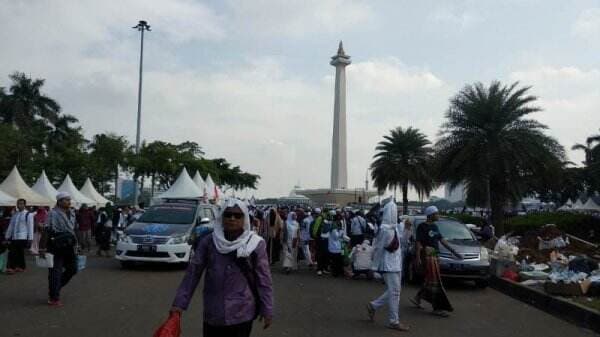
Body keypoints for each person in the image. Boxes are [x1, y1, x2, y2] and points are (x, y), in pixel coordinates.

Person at [159, 198, 273, 337]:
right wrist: (179, 304)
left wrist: (267, 309)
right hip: (213, 313)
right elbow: (193, 273)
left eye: (237, 215)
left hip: (242, 312)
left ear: (244, 219)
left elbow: (264, 279)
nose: (232, 218)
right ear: (221, 217)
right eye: (228, 214)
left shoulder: (255, 244)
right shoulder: (208, 242)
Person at [411, 206, 462, 317]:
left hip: (435, 255)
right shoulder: (422, 227)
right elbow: (418, 243)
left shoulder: (435, 226)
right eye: (436, 214)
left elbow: (442, 240)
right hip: (428, 256)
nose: (438, 215)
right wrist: (418, 257)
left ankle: (417, 298)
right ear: (431, 215)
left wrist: (454, 251)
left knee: (430, 279)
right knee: (435, 281)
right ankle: (437, 308)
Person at [366, 201, 409, 331]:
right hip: (388, 264)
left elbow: (403, 241)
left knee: (395, 291)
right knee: (395, 292)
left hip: (397, 263)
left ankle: (373, 306)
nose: (397, 214)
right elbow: (378, 248)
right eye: (396, 211)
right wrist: (373, 267)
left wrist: (407, 229)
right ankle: (393, 321)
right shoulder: (384, 229)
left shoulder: (395, 227)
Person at [40, 192, 79, 306]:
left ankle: (55, 287)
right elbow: (46, 230)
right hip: (55, 246)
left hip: (70, 246)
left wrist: (77, 244)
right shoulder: (52, 213)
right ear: (59, 201)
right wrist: (42, 248)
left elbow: (73, 230)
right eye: (66, 200)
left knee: (73, 269)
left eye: (69, 199)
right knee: (55, 272)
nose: (69, 201)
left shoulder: (72, 213)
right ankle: (54, 297)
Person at [4, 199, 34, 274]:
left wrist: (30, 239)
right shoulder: (15, 214)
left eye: (21, 204)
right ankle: (18, 267)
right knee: (14, 252)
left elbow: (30, 227)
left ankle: (14, 267)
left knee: (17, 252)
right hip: (14, 236)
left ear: (24, 205)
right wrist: (7, 235)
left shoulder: (28, 214)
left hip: (23, 236)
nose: (19, 205)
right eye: (18, 204)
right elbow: (11, 226)